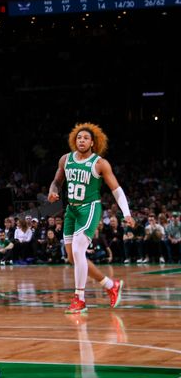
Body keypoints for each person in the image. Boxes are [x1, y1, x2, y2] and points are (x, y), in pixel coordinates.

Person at [48, 123, 133, 314]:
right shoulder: (65, 159)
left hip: (90, 208)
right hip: (71, 210)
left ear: (93, 143)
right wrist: (53, 192)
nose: (82, 140)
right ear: (74, 140)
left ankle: (80, 299)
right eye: (79, 138)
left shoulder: (100, 163)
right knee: (73, 257)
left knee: (78, 251)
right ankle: (111, 285)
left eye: (86, 138)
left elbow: (116, 190)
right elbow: (56, 182)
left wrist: (126, 213)